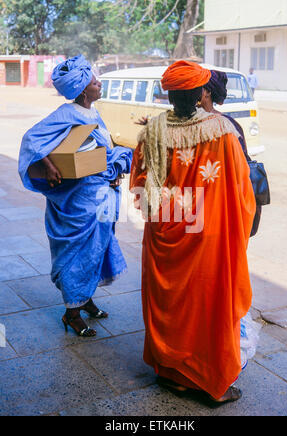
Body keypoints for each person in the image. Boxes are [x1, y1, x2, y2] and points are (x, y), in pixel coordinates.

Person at [130, 61, 256, 404]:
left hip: (163, 235)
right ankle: (208, 379)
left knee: (168, 303)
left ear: (170, 94)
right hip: (207, 237)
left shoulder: (153, 130)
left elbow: (140, 186)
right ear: (202, 93)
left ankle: (173, 374)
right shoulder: (223, 132)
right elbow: (241, 194)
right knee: (206, 306)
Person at [19, 55, 132, 337]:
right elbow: (32, 139)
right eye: (95, 81)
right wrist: (49, 166)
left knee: (98, 248)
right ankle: (71, 312)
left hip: (101, 195)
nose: (99, 83)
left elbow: (101, 149)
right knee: (78, 253)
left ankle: (86, 298)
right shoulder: (66, 113)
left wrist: (113, 168)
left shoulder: (93, 112)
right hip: (77, 202)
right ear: (83, 90)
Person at [200, 69, 262, 236]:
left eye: (196, 87)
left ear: (206, 93)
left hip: (216, 206)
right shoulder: (230, 124)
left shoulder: (227, 126)